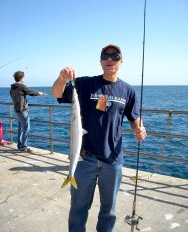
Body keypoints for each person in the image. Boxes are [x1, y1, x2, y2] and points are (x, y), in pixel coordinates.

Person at [51, 44, 147, 232]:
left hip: (113, 160)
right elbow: (57, 93)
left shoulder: (128, 90)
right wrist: (62, 78)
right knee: (78, 209)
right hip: (85, 158)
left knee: (108, 211)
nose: (110, 59)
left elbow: (134, 117)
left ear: (121, 61)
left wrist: (140, 128)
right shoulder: (85, 84)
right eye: (105, 56)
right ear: (100, 60)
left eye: (115, 56)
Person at [10, 70, 45, 152]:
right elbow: (30, 92)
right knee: (26, 128)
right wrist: (39, 93)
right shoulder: (21, 86)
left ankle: (20, 145)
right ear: (22, 77)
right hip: (22, 110)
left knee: (20, 128)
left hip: (17, 110)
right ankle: (23, 146)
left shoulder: (12, 88)